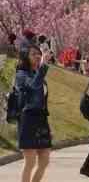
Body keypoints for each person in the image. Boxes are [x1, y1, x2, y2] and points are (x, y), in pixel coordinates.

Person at [15, 45, 51, 182]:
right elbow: (33, 86)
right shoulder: (21, 75)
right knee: (30, 162)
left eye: (38, 54)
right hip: (27, 119)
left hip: (41, 119)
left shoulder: (39, 75)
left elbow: (43, 100)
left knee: (45, 160)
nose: (37, 56)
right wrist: (43, 67)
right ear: (26, 58)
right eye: (33, 54)